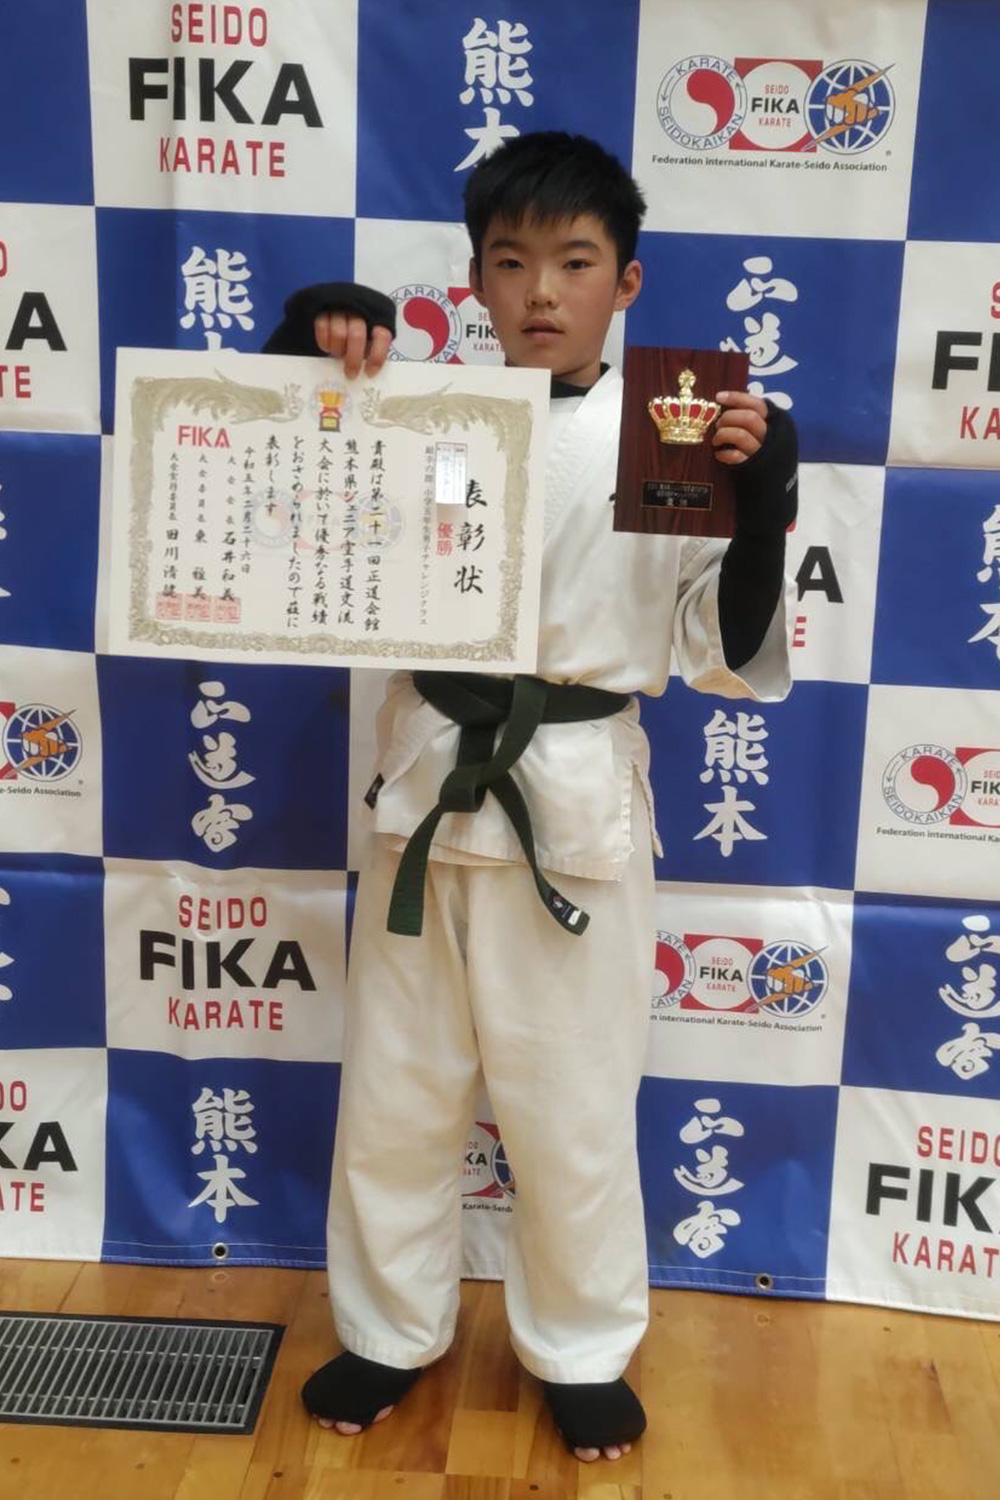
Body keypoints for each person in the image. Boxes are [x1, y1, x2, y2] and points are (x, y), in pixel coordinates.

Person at [263, 131, 796, 1464]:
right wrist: (307, 348)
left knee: (573, 1105)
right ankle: (389, 1329)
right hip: (426, 796)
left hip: (574, 806)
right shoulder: (417, 411)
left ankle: (582, 1345)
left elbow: (722, 650)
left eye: (575, 261)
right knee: (397, 1096)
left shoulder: (671, 428)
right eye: (511, 263)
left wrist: (766, 503)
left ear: (627, 281)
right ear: (476, 280)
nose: (541, 291)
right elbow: (282, 504)